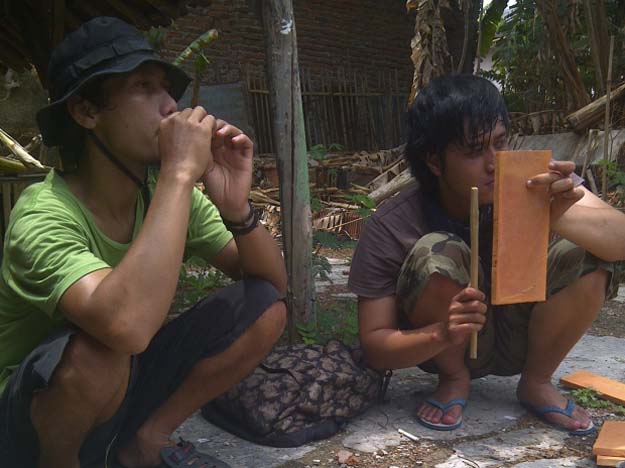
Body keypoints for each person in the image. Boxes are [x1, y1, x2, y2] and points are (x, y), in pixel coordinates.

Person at [0, 16, 287, 468]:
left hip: (120, 391)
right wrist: (178, 173)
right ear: (86, 112)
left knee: (265, 305)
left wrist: (237, 210)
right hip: (33, 423)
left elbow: (272, 282)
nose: (171, 105)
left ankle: (143, 443)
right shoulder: (43, 214)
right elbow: (125, 327)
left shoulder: (166, 196)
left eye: (167, 88)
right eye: (145, 86)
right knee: (100, 348)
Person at [348, 74, 625, 434]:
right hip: (447, 344)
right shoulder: (392, 224)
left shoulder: (537, 183)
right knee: (437, 250)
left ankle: (537, 382)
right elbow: (375, 346)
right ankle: (454, 379)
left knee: (589, 251)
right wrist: (440, 334)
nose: (495, 162)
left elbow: (618, 239)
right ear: (434, 162)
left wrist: (558, 214)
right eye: (475, 151)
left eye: (500, 143)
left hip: (520, 337)